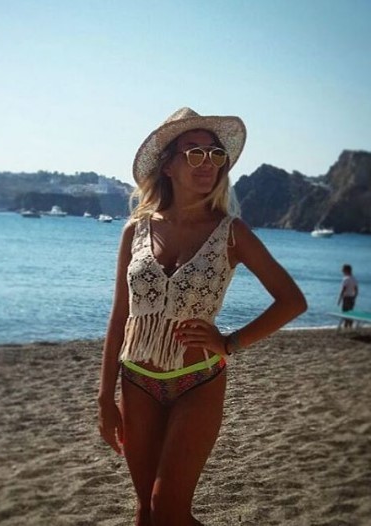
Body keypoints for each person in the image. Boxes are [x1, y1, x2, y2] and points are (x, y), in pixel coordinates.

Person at [97, 107, 307, 526]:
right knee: (145, 512)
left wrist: (230, 342)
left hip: (198, 381)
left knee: (168, 509)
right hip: (136, 381)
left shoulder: (232, 233)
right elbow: (120, 315)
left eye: (215, 154)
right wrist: (105, 396)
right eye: (194, 153)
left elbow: (291, 301)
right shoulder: (135, 231)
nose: (207, 163)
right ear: (168, 166)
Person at [338, 264, 358, 328]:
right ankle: (350, 325)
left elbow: (344, 289)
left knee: (345, 312)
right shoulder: (354, 279)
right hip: (351, 297)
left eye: (343, 270)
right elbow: (356, 290)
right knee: (350, 312)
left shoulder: (346, 279)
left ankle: (345, 325)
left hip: (346, 297)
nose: (342, 271)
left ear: (346, 270)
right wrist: (354, 297)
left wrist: (340, 298)